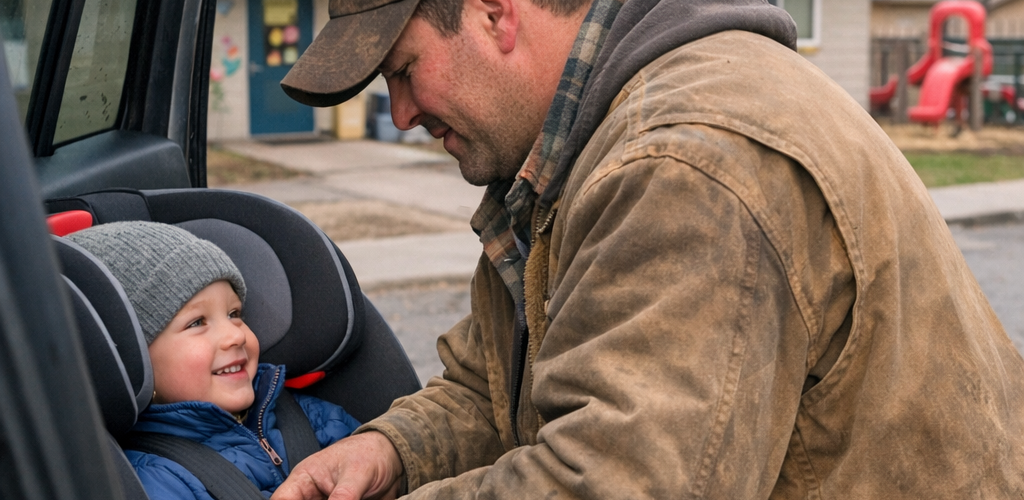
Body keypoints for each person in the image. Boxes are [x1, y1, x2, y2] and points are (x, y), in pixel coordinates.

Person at [275, 0, 1024, 498]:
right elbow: (498, 383)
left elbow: (616, 482)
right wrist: (394, 451)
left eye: (405, 70)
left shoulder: (682, 168)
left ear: (494, 12)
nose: (400, 112)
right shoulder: (567, 156)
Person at [65, 221, 362, 500]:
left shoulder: (311, 417)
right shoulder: (154, 479)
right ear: (134, 362)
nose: (235, 337)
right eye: (197, 323)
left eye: (234, 314)